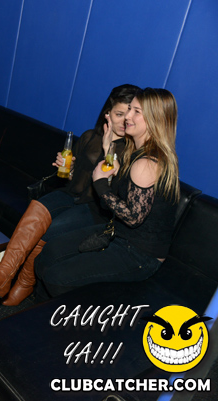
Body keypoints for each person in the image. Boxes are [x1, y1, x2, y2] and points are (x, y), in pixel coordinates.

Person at [0, 84, 140, 306]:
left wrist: (109, 150)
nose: (124, 121)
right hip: (70, 196)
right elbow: (75, 178)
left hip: (96, 209)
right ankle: (3, 274)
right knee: (37, 207)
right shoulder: (90, 137)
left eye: (128, 115)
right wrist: (68, 168)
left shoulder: (131, 151)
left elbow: (115, 191)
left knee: (48, 230)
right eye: (119, 114)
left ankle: (25, 282)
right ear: (107, 114)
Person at [35, 88, 180, 298]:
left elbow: (133, 218)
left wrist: (100, 183)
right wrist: (108, 149)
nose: (128, 116)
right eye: (129, 109)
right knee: (50, 252)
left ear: (154, 119)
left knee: (57, 276)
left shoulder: (147, 162)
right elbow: (117, 199)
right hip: (118, 234)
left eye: (136, 111)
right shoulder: (135, 152)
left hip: (140, 254)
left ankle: (54, 316)